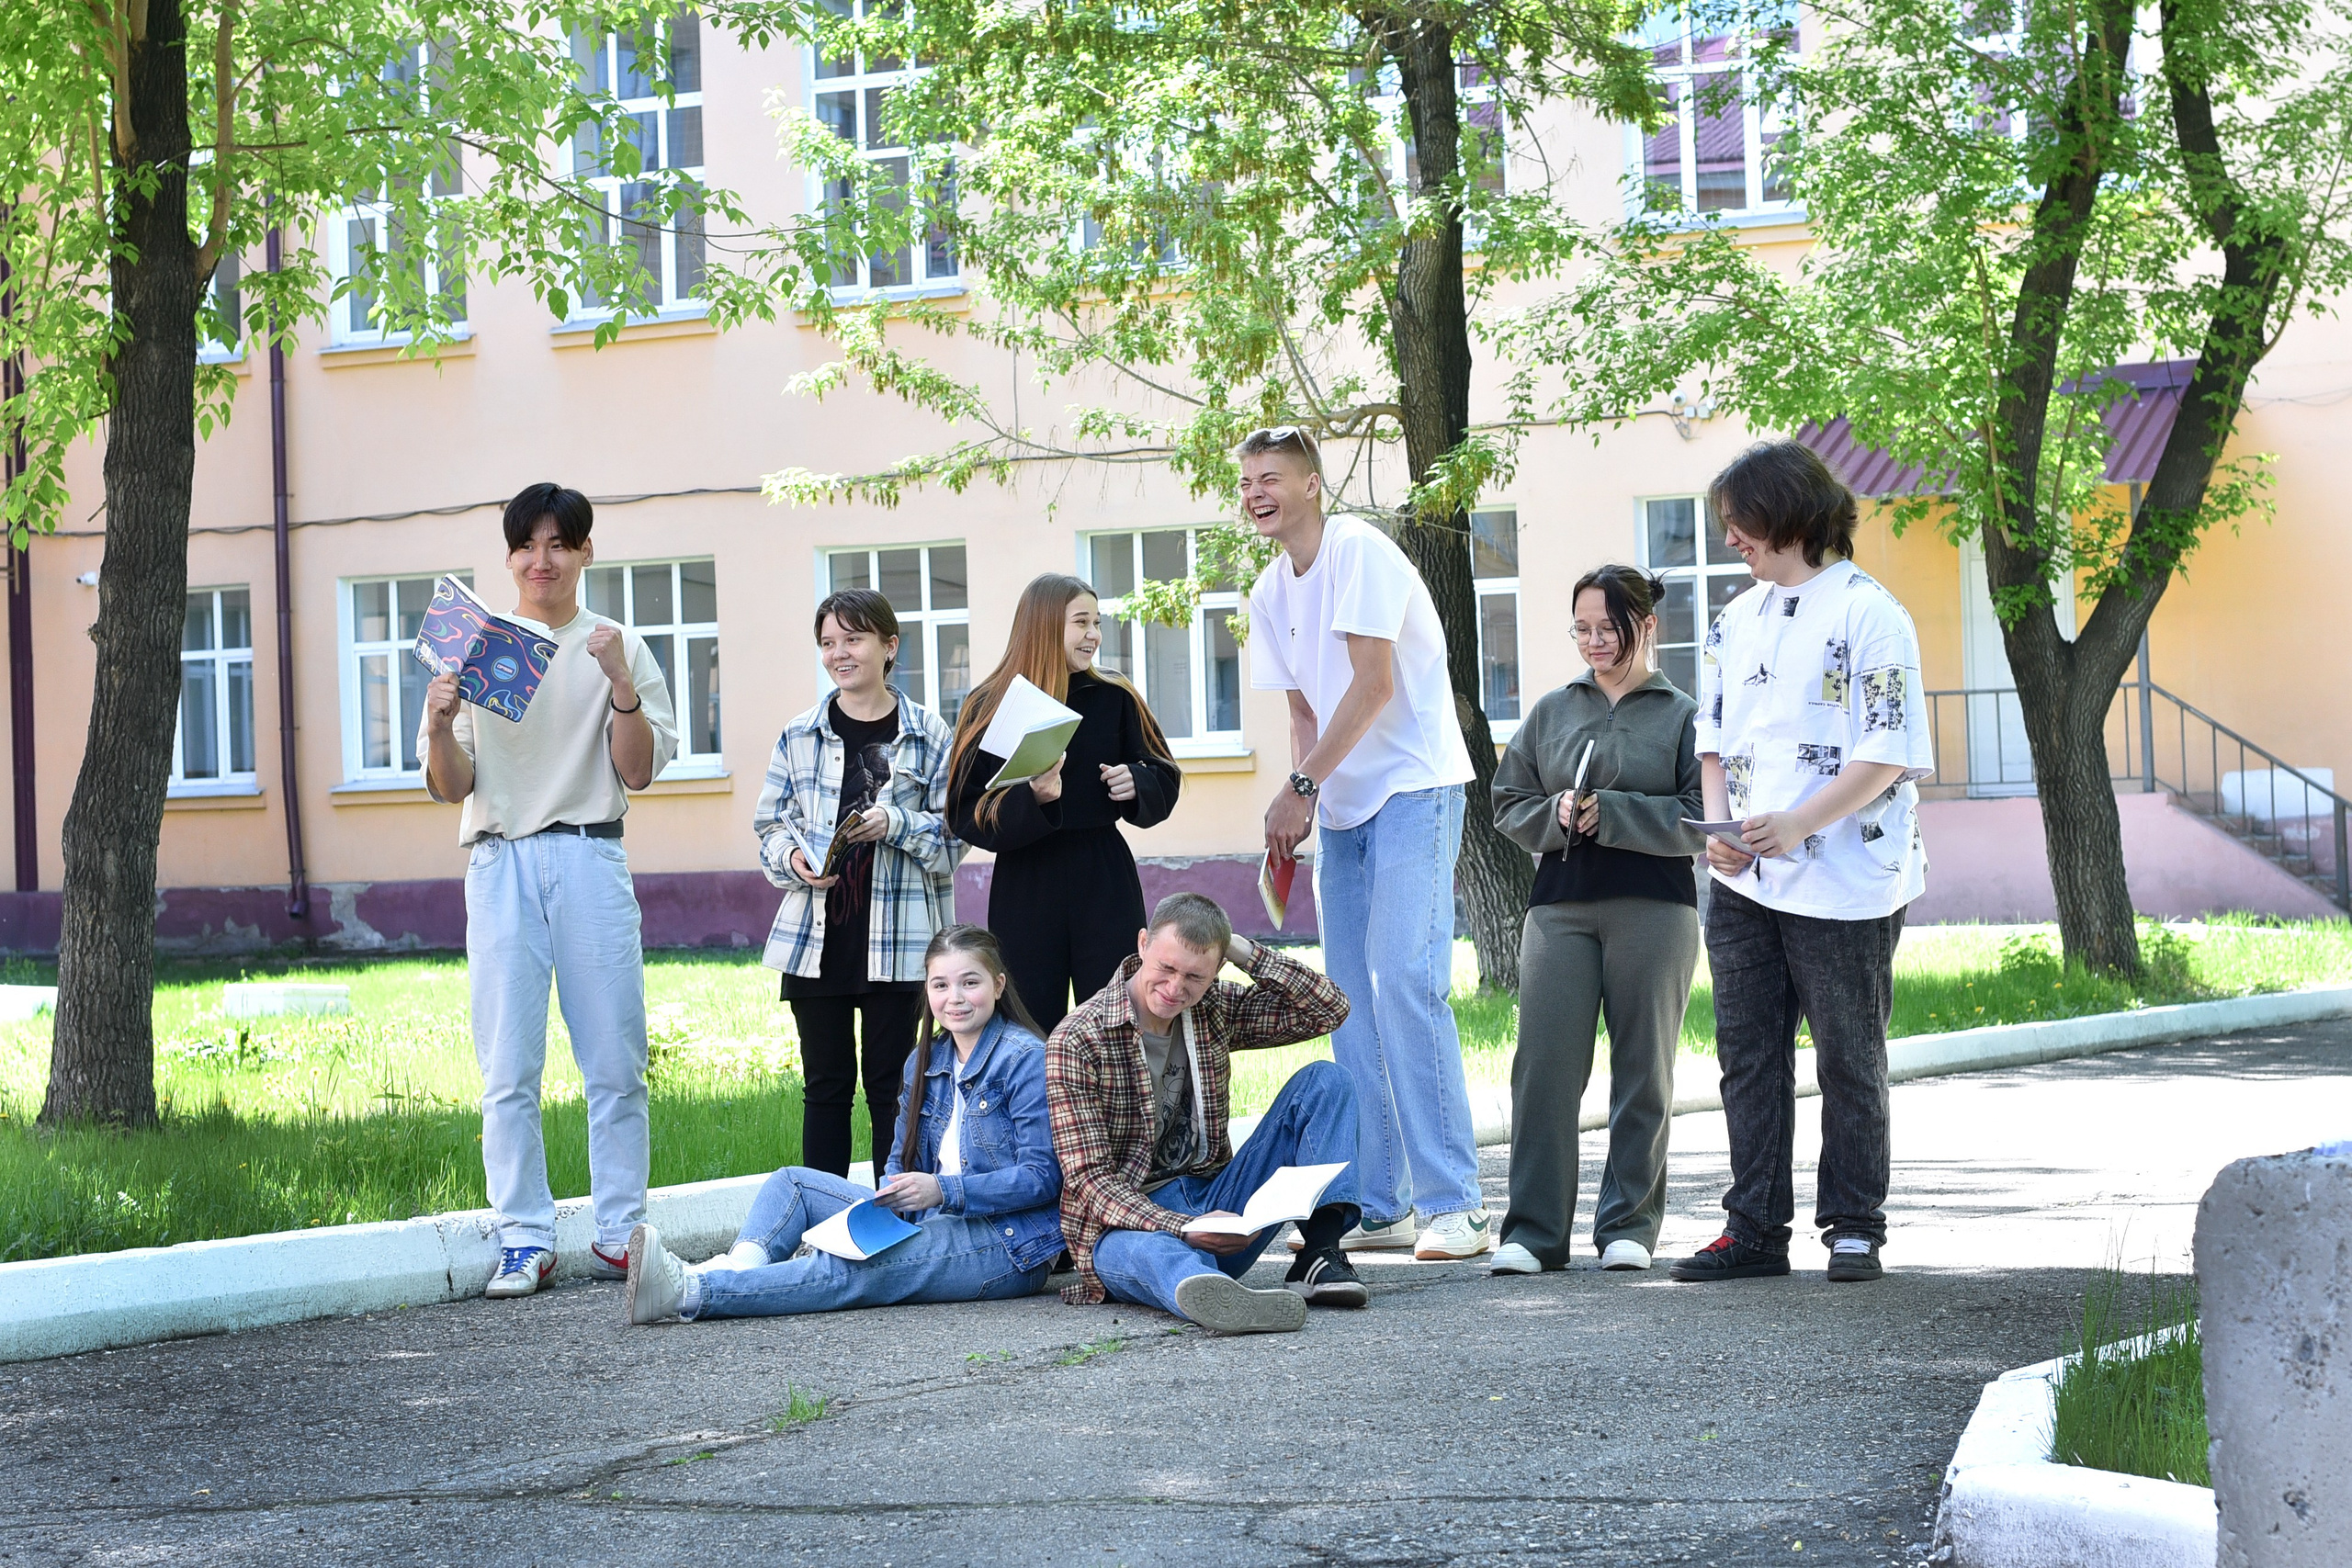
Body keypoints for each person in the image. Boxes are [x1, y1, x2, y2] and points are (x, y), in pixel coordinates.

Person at [1669, 440, 1934, 1286]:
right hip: (1744, 878)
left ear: (1786, 511)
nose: (1730, 539)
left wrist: (1796, 824)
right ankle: (1753, 1227)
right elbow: (1713, 739)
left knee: (1848, 1056)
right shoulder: (1732, 619)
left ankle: (1854, 1226)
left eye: (1737, 521)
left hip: (1846, 874)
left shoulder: (1870, 612)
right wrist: (1721, 831)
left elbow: (1887, 750)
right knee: (1747, 1055)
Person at [421, 482, 678, 1300]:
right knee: (507, 1064)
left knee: (614, 1056)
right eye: (527, 545)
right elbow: (449, 784)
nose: (542, 559)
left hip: (588, 854)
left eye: (559, 544)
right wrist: (435, 722)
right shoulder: (476, 646)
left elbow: (637, 769)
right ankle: (524, 1237)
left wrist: (621, 687)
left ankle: (618, 1230)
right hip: (500, 862)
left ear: (584, 553)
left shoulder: (616, 644)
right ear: (509, 557)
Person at [1240, 426, 1487, 1261]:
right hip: (1342, 807)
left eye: (1271, 476)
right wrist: (1305, 795)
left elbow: (1376, 685)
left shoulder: (1358, 550)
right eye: (1245, 482)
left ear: (1313, 483)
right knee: (1347, 993)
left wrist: (1301, 784)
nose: (1255, 493)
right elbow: (1307, 709)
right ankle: (1384, 1198)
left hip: (1415, 785)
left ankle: (1456, 1200)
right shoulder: (1270, 591)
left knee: (1406, 977)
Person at [624, 925, 1064, 1324]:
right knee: (791, 1185)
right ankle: (738, 1271)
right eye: (941, 985)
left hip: (1006, 1245)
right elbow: (900, 1158)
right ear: (927, 991)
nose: (956, 997)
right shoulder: (926, 1060)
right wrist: (888, 1200)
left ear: (998, 985)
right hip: (927, 1217)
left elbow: (1042, 1178)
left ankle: (689, 1290)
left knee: (856, 1269)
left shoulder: (1023, 1059)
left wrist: (943, 1190)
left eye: (971, 982)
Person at [1488, 566, 1706, 1275]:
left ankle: (1630, 1226)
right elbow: (1506, 798)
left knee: (1644, 1070)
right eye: (1581, 628)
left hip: (1657, 908)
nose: (1593, 641)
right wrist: (1551, 814)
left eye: (1607, 627)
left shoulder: (1684, 715)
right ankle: (1532, 1232)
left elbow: (1702, 817)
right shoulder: (1553, 709)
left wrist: (1613, 814)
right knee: (1544, 1068)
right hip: (1560, 906)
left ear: (1645, 625)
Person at [1047, 892, 1361, 1334]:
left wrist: (1242, 950)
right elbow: (1090, 1183)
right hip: (1125, 1223)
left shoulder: (1212, 1009)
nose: (1176, 989)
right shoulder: (1077, 1040)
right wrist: (1184, 1226)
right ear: (1142, 945)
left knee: (1328, 1082)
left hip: (1220, 1208)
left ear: (1216, 972)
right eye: (1167, 968)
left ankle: (1319, 1255)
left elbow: (1329, 1009)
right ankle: (1210, 1292)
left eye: (1195, 975)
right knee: (1145, 1253)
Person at [752, 588, 961, 1179]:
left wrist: (893, 823)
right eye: (828, 643)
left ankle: (892, 1229)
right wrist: (792, 858)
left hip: (901, 943)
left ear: (889, 646)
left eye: (853, 639)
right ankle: (823, 1223)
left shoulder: (928, 734)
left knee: (894, 1093)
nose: (839, 653)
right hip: (817, 942)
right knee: (824, 1088)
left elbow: (953, 842)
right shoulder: (799, 733)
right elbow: (769, 827)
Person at [948, 573, 1182, 1033]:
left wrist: (1136, 781)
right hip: (1026, 881)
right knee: (1027, 1017)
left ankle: (1116, 1105)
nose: (1094, 634)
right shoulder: (990, 705)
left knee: (1116, 1012)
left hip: (1104, 875)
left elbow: (1165, 776)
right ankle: (1035, 1106)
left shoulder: (1115, 696)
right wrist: (1031, 798)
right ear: (1044, 625)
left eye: (1096, 623)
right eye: (1081, 622)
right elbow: (964, 810)